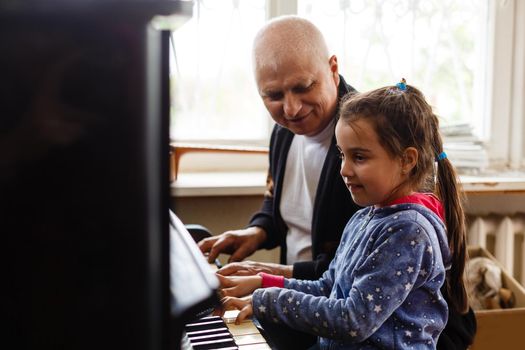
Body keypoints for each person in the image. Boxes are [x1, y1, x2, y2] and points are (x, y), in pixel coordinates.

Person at [200, 16, 476, 349]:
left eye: (302, 87)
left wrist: (267, 293)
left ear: (333, 68)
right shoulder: (294, 138)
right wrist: (258, 240)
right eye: (273, 95)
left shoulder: (375, 138)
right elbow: (331, 280)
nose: (290, 107)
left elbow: (353, 315)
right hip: (319, 319)